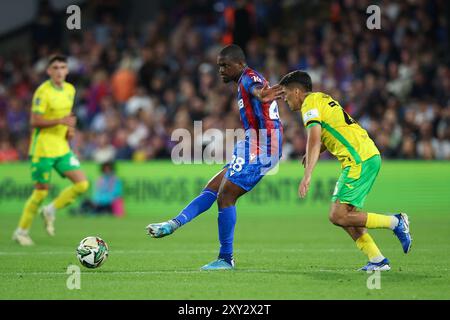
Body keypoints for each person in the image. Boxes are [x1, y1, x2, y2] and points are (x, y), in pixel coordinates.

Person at [145, 44, 284, 270]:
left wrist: (262, 94)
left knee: (225, 195)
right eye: (219, 66)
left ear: (239, 64)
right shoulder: (244, 80)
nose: (221, 70)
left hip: (264, 146)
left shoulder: (249, 79)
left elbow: (257, 90)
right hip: (252, 143)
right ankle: (172, 224)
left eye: (225, 66)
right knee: (212, 187)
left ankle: (226, 258)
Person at [279, 70, 412, 271]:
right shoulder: (322, 98)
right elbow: (334, 130)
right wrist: (319, 149)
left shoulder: (309, 104)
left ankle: (395, 221)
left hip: (359, 159)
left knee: (338, 215)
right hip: (364, 155)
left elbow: (314, 137)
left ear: (297, 91)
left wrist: (307, 176)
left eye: (285, 93)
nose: (285, 99)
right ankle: (377, 260)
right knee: (347, 215)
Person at [13, 55, 89, 245]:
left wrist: (69, 130)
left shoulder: (70, 90)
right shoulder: (42, 92)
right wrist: (60, 121)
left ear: (67, 71)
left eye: (63, 67)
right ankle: (21, 231)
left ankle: (50, 210)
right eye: (55, 67)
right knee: (40, 192)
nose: (59, 71)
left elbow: (68, 117)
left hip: (62, 147)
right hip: (43, 149)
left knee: (82, 184)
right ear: (48, 71)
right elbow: (34, 121)